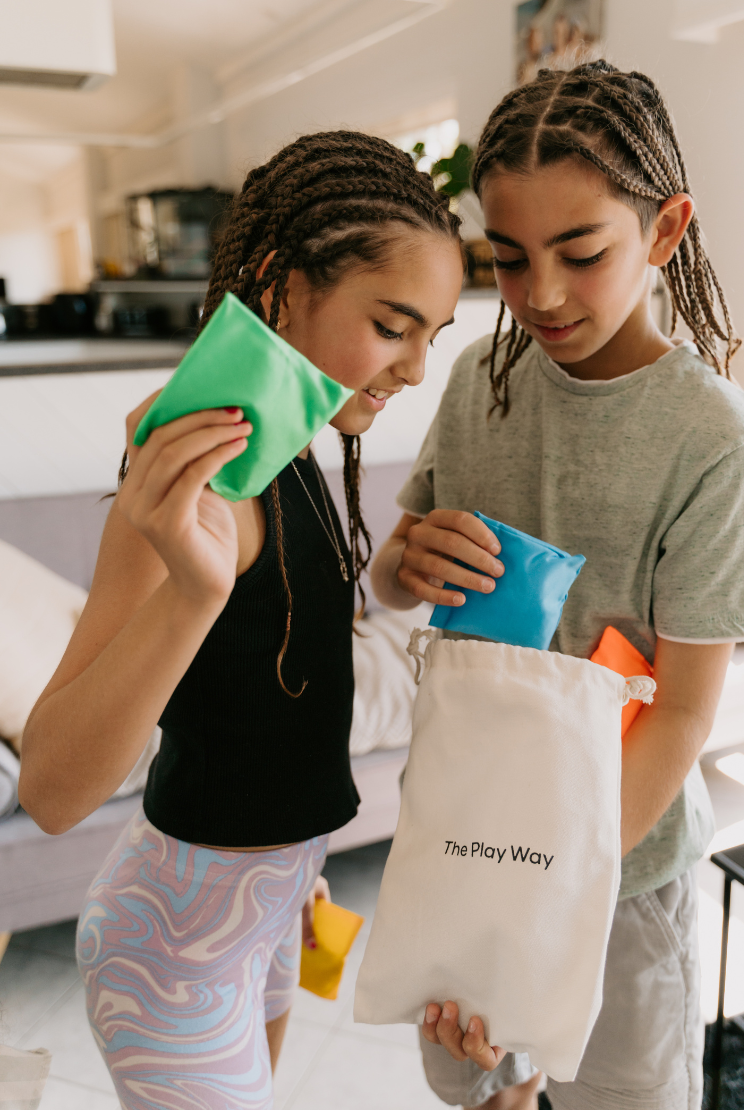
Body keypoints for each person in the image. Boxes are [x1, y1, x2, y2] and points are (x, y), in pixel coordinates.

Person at [18, 131, 464, 1110]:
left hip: (268, 912)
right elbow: (51, 788)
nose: (417, 368)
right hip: (170, 958)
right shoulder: (193, 479)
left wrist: (390, 570)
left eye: (432, 332)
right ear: (276, 281)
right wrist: (193, 591)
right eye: (393, 325)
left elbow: (276, 669)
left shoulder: (291, 449)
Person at [371, 62, 744, 1110]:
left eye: (581, 253)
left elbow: (681, 713)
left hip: (619, 878)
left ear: (665, 230)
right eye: (506, 260)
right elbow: (397, 573)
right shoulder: (479, 379)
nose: (539, 294)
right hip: (464, 834)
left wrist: (555, 903)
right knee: (473, 1088)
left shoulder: (711, 440)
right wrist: (403, 562)